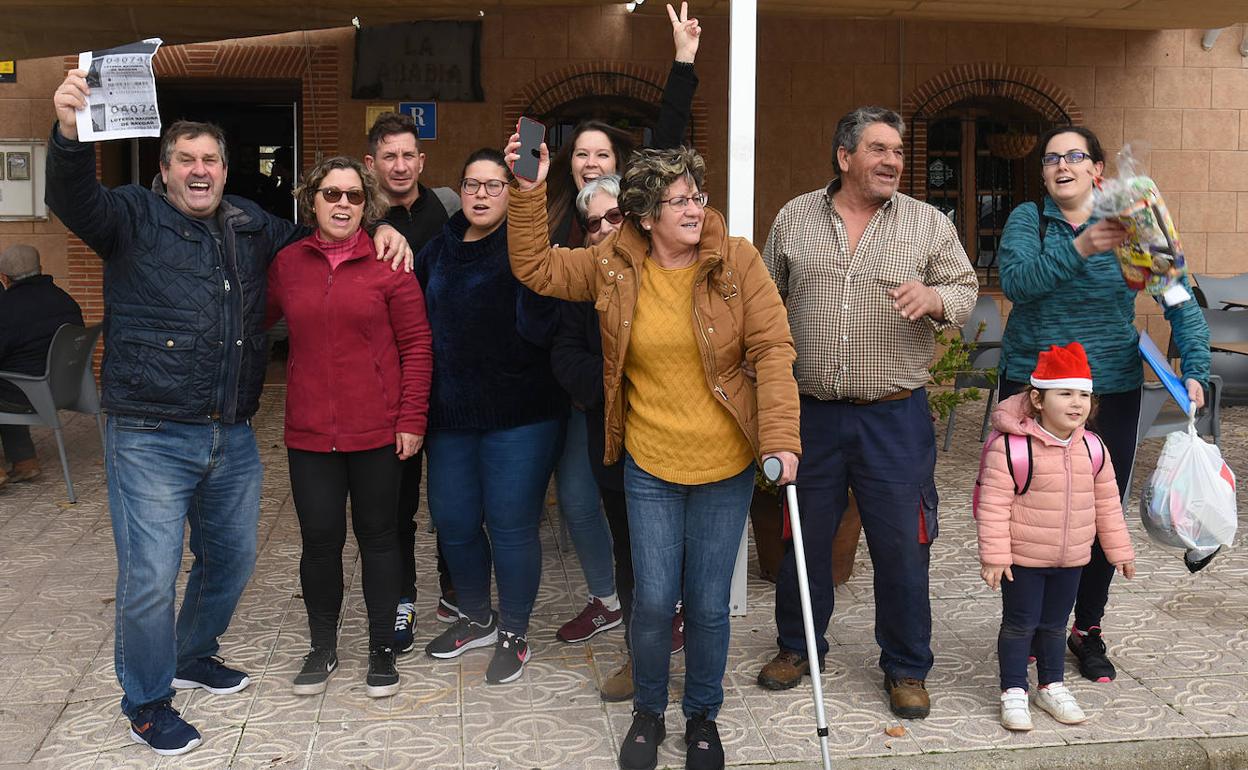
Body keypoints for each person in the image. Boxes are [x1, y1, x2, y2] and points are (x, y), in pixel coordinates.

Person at [46, 70, 411, 756]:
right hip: (149, 432)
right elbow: (73, 197)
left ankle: (192, 652)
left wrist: (385, 232)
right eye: (185, 159)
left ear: (224, 168)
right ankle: (148, 700)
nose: (200, 170)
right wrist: (69, 134)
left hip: (230, 432)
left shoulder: (248, 224)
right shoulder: (128, 216)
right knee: (150, 576)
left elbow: (325, 228)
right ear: (163, 171)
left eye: (210, 159)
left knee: (232, 558)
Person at [507, 139, 801, 770]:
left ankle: (702, 716)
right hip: (650, 462)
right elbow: (535, 268)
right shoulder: (613, 265)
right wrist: (529, 191)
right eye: (678, 200)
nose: (694, 208)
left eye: (697, 195)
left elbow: (774, 350)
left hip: (724, 464)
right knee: (651, 596)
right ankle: (648, 709)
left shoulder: (737, 262)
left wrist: (779, 439)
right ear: (645, 215)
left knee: (706, 602)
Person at [759, 106, 978, 720]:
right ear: (844, 156)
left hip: (894, 416)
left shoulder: (926, 224)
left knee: (903, 547)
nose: (891, 162)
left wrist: (936, 298)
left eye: (898, 152)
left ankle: (906, 666)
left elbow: (963, 288)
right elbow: (765, 302)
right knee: (804, 542)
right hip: (813, 415)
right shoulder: (793, 219)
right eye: (878, 149)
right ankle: (799, 648)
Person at [996, 125, 1209, 684]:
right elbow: (1018, 282)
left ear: (1098, 169)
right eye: (1050, 158)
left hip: (1106, 391)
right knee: (1029, 517)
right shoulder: (1029, 220)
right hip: (1032, 389)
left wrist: (1196, 368)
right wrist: (1081, 247)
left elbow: (1178, 295)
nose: (1061, 165)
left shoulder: (1135, 219)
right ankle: (1034, 631)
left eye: (1074, 156)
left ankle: (1085, 628)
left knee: (1094, 513)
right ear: (1043, 173)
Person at [543, 1, 703, 647]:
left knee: (653, 513)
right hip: (575, 389)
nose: (589, 161)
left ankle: (668, 611)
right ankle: (615, 600)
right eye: (579, 152)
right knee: (587, 502)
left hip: (640, 395)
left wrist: (683, 61)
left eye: (600, 151)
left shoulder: (639, 214)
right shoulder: (557, 218)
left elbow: (666, 138)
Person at [265, 156, 432, 698]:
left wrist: (411, 418)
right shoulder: (288, 263)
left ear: (369, 205)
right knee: (319, 541)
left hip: (378, 430)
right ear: (311, 200)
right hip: (310, 432)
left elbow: (417, 346)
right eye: (332, 194)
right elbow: (250, 320)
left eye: (355, 197)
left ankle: (382, 649)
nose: (343, 205)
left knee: (380, 540)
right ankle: (322, 646)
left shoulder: (389, 264)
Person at [418, 148, 566, 685]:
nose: (481, 194)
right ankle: (478, 616)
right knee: (453, 521)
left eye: (494, 185)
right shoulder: (436, 251)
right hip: (452, 412)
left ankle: (515, 632)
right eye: (472, 184)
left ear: (511, 193)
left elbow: (541, 328)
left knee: (510, 525)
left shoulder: (527, 248)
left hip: (520, 413)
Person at [976, 342, 1136, 731]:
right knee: (1019, 625)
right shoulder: (1010, 447)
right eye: (1065, 392)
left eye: (1083, 394)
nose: (1076, 402)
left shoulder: (1094, 448)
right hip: (1023, 560)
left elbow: (1107, 504)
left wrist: (1119, 550)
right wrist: (995, 555)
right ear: (1037, 398)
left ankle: (1051, 686)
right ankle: (1013, 691)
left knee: (1053, 625)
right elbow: (993, 505)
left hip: (1073, 558)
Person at [364, 111, 464, 650]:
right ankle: (402, 601)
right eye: (389, 157)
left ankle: (457, 590)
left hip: (447, 382)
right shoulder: (352, 219)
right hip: (387, 388)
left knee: (451, 501)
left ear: (421, 161)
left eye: (408, 156)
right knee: (396, 505)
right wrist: (373, 223)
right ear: (370, 163)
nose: (400, 166)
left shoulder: (449, 211)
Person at [0, 244, 84, 488]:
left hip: (27, 394)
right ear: (41, 269)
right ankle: (25, 462)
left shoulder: (7, 309)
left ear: (4, 278)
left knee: (8, 385)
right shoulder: (65, 300)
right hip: (63, 390)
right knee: (11, 380)